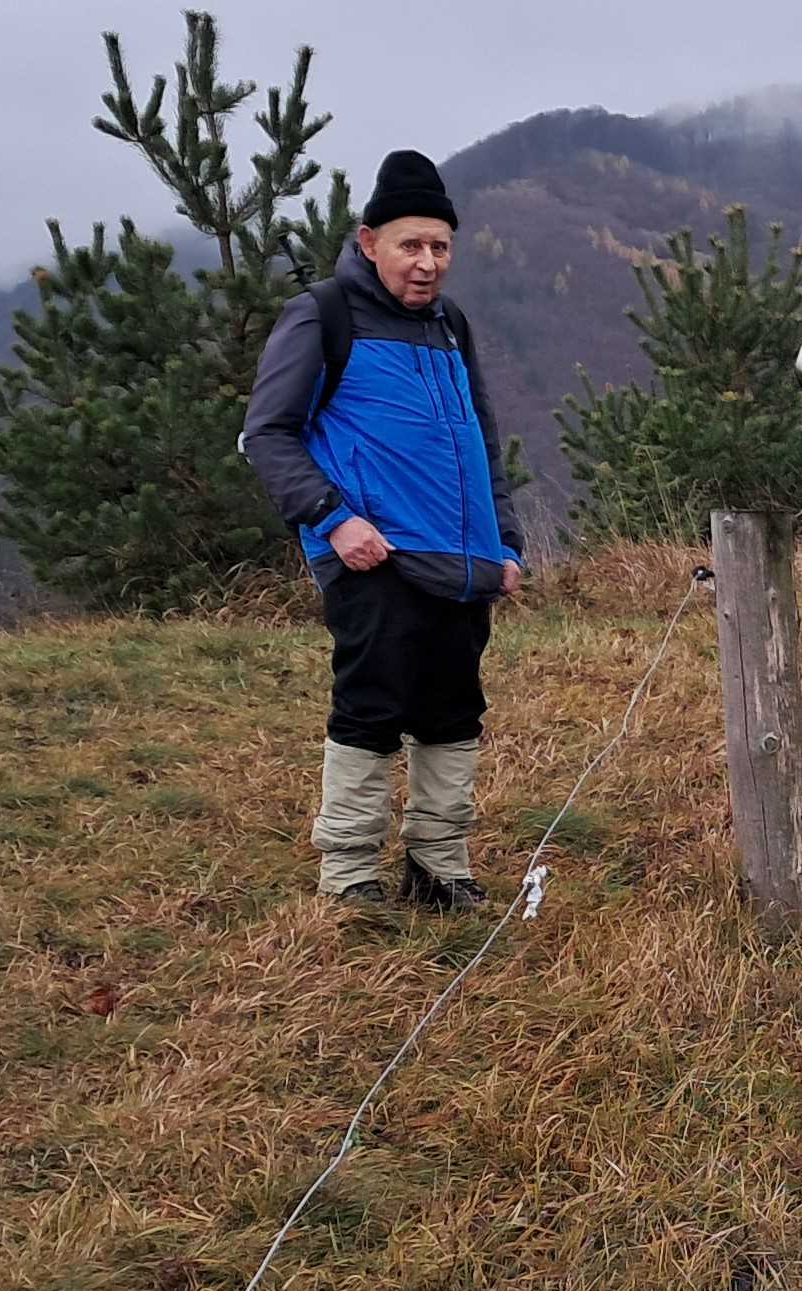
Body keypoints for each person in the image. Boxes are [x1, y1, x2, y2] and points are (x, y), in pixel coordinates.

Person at [241, 149, 522, 910]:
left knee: (453, 714)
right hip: (377, 559)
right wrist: (334, 523)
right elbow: (268, 433)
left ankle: (439, 870)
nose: (427, 262)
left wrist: (507, 543)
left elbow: (478, 440)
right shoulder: (324, 314)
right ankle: (350, 875)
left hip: (463, 565)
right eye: (411, 245)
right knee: (371, 709)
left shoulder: (450, 326)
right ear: (369, 242)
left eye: (440, 246)